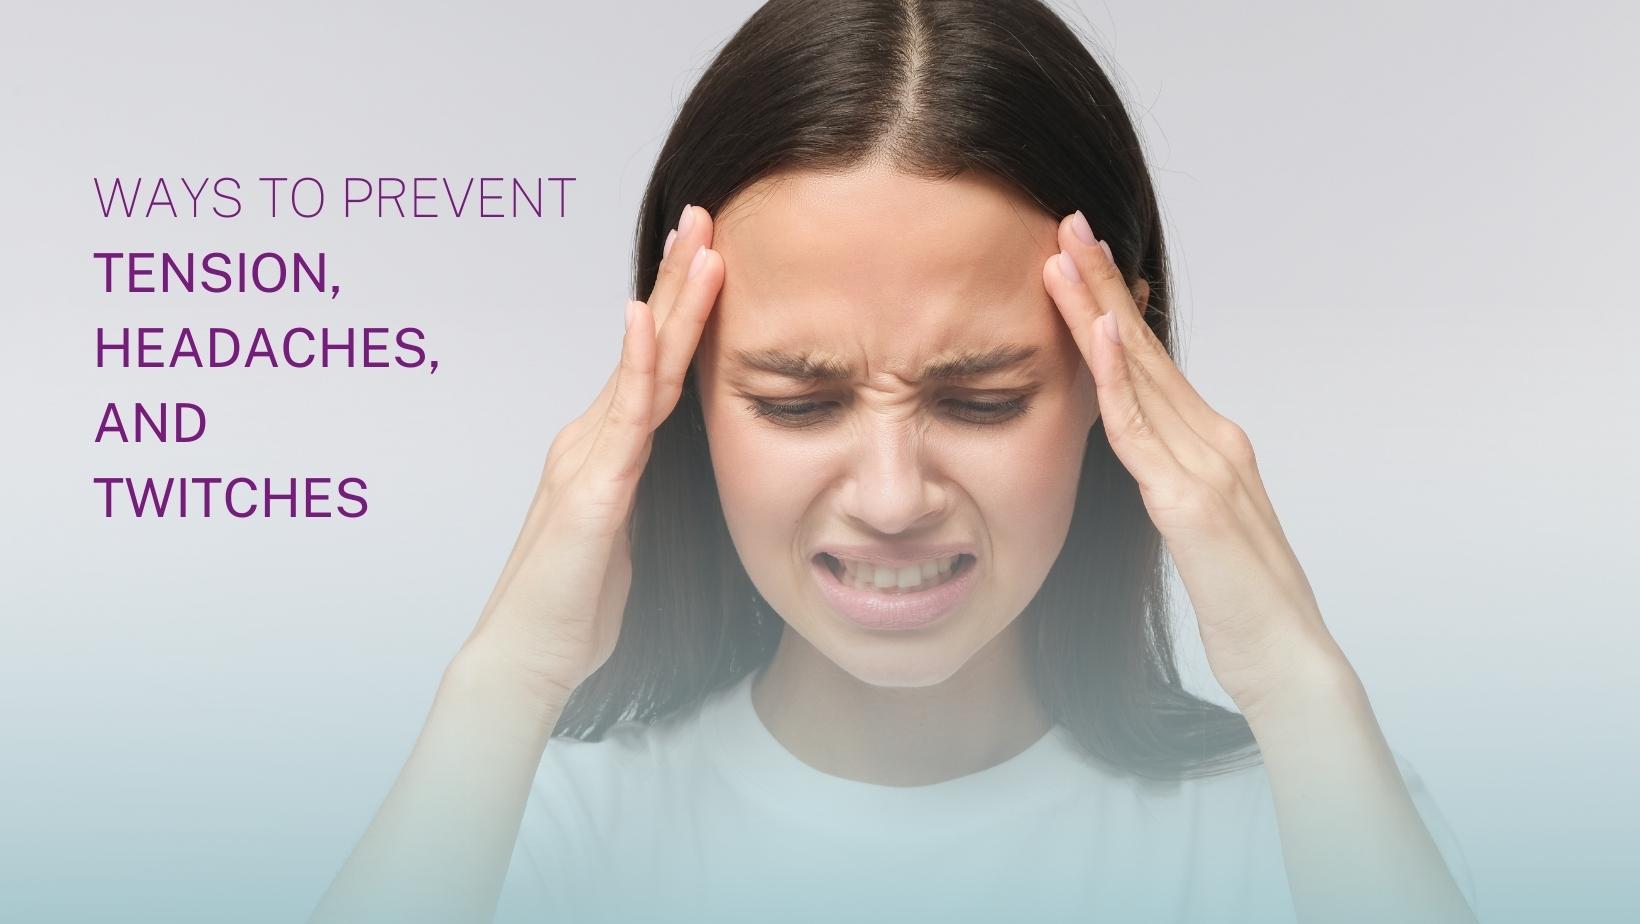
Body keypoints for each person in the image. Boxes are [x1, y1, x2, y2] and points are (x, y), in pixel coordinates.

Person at [310, 1, 1479, 922]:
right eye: (796, 400)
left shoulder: (1303, 825)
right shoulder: (525, 830)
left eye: (979, 398)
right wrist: (503, 678)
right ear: (671, 402)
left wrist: (1295, 680)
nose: (888, 496)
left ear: (1112, 381)